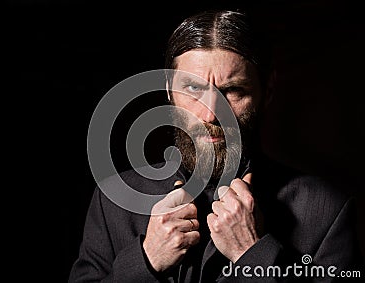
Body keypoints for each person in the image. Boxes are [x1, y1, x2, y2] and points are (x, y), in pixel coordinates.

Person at [69, 10, 363, 282]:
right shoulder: (113, 201)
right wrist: (147, 260)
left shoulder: (326, 211)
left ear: (267, 92)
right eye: (194, 88)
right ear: (171, 92)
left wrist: (253, 254)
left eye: (233, 90)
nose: (211, 114)